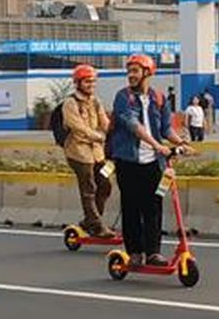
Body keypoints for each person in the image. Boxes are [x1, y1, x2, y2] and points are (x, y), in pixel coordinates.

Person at [109, 53, 191, 267]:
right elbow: (133, 125)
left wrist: (180, 143)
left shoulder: (159, 98)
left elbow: (165, 128)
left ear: (147, 72)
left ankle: (153, 252)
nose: (131, 75)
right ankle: (135, 252)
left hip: (154, 163)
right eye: (129, 71)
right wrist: (156, 145)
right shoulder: (122, 97)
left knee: (154, 206)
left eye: (135, 71)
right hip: (128, 160)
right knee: (131, 207)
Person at [60, 64, 116, 239]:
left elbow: (105, 123)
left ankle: (90, 222)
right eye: (87, 81)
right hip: (78, 152)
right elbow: (78, 128)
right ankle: (97, 226)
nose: (91, 84)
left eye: (93, 81)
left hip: (97, 153)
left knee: (105, 185)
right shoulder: (70, 103)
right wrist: (99, 137)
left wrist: (117, 132)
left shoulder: (95, 101)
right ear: (78, 83)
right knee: (89, 188)